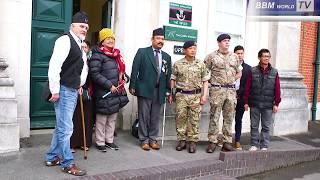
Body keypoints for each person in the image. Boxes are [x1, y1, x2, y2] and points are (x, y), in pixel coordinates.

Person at [45, 11, 89, 176]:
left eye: (86, 26)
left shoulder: (79, 44)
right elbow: (54, 66)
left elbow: (79, 69)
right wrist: (55, 90)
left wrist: (79, 84)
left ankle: (52, 156)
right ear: (72, 26)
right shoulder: (65, 40)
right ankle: (67, 163)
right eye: (81, 26)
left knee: (61, 126)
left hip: (72, 89)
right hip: (63, 90)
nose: (84, 29)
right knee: (66, 128)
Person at [129, 28, 172, 151]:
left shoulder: (166, 57)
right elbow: (135, 69)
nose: (160, 41)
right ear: (152, 39)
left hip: (160, 91)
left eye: (162, 39)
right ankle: (144, 140)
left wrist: (168, 91)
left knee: (155, 116)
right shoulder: (142, 52)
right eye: (158, 38)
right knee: (144, 116)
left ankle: (153, 139)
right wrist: (132, 85)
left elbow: (168, 74)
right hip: (144, 89)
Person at [89, 28, 129, 152]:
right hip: (104, 92)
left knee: (112, 118)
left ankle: (109, 140)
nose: (111, 40)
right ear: (102, 41)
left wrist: (125, 77)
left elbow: (120, 71)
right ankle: (100, 142)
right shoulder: (97, 55)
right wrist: (109, 86)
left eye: (112, 38)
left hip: (115, 92)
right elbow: (94, 74)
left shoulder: (117, 55)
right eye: (108, 38)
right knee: (102, 119)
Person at [169, 41, 209, 153]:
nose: (193, 50)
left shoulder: (201, 64)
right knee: (180, 118)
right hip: (181, 95)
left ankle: (192, 142)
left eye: (194, 48)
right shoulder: (178, 64)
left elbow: (205, 81)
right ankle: (182, 141)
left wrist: (204, 95)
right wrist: (172, 94)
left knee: (194, 119)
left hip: (195, 95)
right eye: (190, 48)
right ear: (184, 50)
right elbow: (173, 79)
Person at [204, 34, 241, 153]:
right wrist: (213, 83)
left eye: (229, 41)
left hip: (230, 91)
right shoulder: (211, 56)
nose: (227, 43)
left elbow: (239, 72)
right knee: (214, 116)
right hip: (217, 91)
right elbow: (204, 73)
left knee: (229, 117)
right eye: (225, 41)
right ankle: (212, 141)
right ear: (219, 42)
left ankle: (227, 141)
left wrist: (230, 80)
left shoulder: (234, 56)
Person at [244, 48, 281, 151]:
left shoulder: (274, 72)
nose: (266, 58)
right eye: (264, 56)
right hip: (254, 103)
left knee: (266, 126)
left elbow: (277, 88)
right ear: (259, 57)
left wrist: (276, 103)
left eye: (268, 56)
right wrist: (246, 102)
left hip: (268, 105)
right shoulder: (253, 70)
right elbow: (248, 87)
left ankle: (264, 145)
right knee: (254, 126)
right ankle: (254, 144)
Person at [70, 40, 94, 153]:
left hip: (87, 92)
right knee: (75, 118)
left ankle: (85, 143)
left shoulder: (91, 60)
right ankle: (73, 143)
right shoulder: (74, 59)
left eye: (85, 47)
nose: (83, 49)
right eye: (81, 47)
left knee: (86, 119)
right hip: (74, 89)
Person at [233, 45, 251, 150]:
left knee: (238, 119)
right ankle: (224, 139)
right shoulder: (230, 65)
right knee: (227, 118)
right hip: (229, 95)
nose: (239, 55)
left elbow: (248, 86)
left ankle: (237, 140)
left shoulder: (248, 68)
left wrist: (246, 101)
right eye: (237, 53)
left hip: (241, 98)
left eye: (241, 53)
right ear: (234, 54)